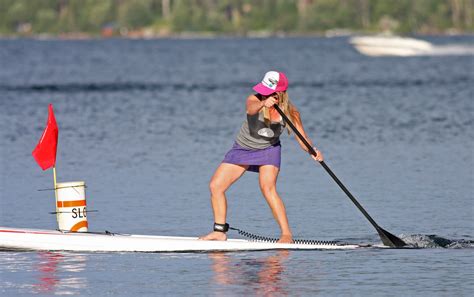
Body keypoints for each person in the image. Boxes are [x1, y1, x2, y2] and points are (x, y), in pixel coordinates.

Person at [199, 71, 323, 243]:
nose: (264, 92)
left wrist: (312, 150)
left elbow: (302, 138)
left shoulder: (291, 113)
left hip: (268, 151)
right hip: (242, 148)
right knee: (215, 186)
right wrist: (264, 103)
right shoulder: (254, 99)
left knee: (267, 188)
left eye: (269, 91)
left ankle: (286, 235)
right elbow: (250, 109)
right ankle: (219, 232)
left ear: (279, 93)